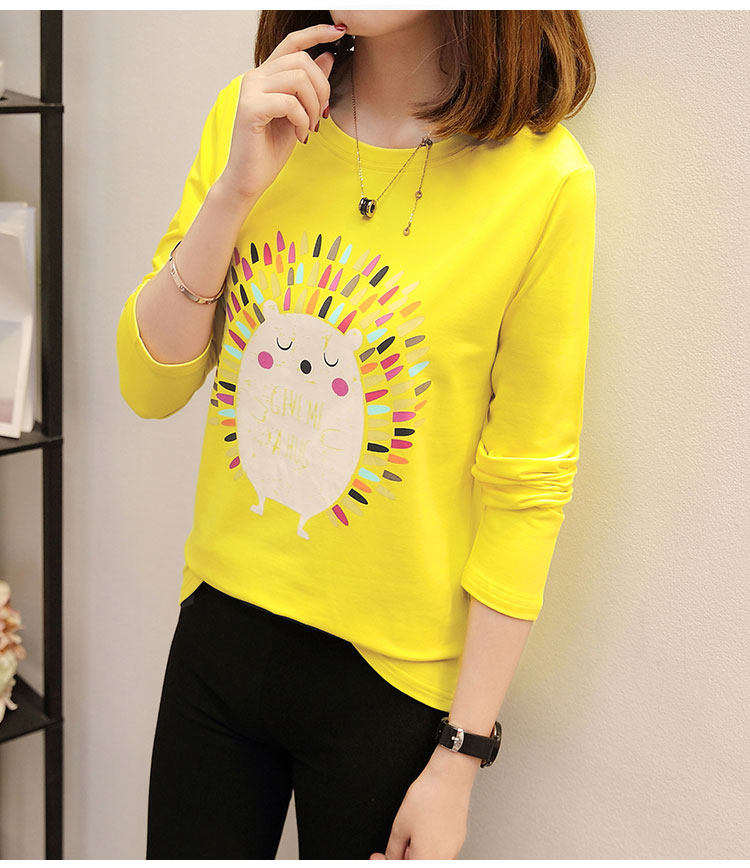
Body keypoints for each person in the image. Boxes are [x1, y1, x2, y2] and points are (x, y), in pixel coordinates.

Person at [116, 9, 597, 860]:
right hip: (219, 632)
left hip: (392, 689)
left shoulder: (544, 182)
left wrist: (461, 760)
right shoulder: (254, 113)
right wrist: (233, 193)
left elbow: (527, 486)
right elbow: (149, 385)